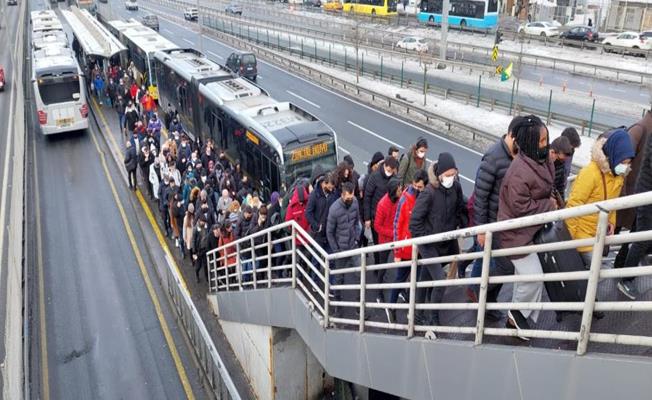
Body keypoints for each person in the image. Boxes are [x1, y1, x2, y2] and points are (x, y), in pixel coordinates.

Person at [497, 115, 557, 337]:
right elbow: (521, 206)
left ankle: (521, 319)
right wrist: (549, 204)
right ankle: (516, 317)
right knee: (532, 277)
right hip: (515, 233)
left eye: (546, 139)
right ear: (531, 143)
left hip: (532, 229)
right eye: (542, 141)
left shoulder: (542, 159)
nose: (546, 144)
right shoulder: (518, 172)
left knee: (529, 279)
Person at [409, 153, 467, 328]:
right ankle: (433, 315)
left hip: (446, 243)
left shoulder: (456, 188)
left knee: (426, 277)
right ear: (440, 174)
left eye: (453, 174)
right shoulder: (429, 192)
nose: (451, 178)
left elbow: (460, 209)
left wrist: (461, 224)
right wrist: (426, 239)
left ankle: (417, 313)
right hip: (429, 245)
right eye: (448, 175)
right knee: (439, 282)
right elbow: (415, 222)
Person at [565, 128, 633, 266]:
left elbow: (612, 204)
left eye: (628, 162)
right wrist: (568, 242)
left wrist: (612, 223)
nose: (626, 166)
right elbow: (574, 206)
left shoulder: (617, 175)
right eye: (623, 162)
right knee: (599, 274)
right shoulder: (590, 173)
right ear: (614, 155)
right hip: (582, 237)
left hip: (598, 235)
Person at [386, 169, 428, 322]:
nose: (417, 189)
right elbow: (397, 224)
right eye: (415, 186)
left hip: (420, 248)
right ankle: (391, 306)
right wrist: (397, 252)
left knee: (416, 281)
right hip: (405, 249)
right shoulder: (405, 199)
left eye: (420, 187)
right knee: (400, 278)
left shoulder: (425, 198)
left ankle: (414, 309)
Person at [614, 110, 652, 275]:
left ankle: (618, 268)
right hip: (627, 195)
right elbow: (621, 161)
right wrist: (621, 193)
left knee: (631, 236)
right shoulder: (640, 128)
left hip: (636, 194)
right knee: (615, 230)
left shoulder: (644, 127)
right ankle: (616, 269)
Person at [326, 182, 362, 318]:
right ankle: (337, 306)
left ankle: (359, 306)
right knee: (339, 279)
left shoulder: (355, 202)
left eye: (352, 197)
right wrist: (336, 250)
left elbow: (357, 221)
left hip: (353, 245)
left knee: (361, 275)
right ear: (342, 195)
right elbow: (329, 232)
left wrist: (357, 238)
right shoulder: (334, 209)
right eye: (348, 198)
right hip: (340, 250)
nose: (350, 200)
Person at [372, 177, 402, 303]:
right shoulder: (382, 204)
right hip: (385, 241)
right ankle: (379, 292)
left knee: (401, 265)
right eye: (399, 189)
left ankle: (402, 289)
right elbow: (377, 226)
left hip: (397, 238)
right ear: (393, 191)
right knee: (383, 267)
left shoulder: (400, 199)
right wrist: (393, 233)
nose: (401, 191)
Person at [363, 156, 398, 253]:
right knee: (377, 245)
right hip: (376, 217)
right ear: (384, 166)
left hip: (388, 218)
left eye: (392, 171)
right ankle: (377, 264)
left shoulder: (394, 178)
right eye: (388, 170)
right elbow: (367, 197)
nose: (389, 172)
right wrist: (367, 218)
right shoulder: (374, 176)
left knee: (386, 246)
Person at [306, 172, 338, 254]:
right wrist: (316, 226)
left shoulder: (333, 193)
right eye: (330, 187)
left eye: (332, 188)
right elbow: (308, 213)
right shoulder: (314, 194)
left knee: (331, 259)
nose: (331, 189)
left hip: (330, 231)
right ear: (324, 183)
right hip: (318, 233)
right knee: (316, 260)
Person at [560, 127, 582, 192]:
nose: (571, 150)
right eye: (571, 146)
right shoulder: (553, 153)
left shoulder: (570, 152)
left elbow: (567, 169)